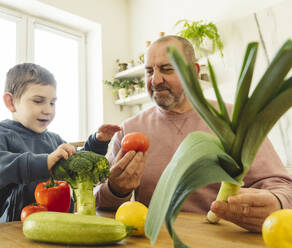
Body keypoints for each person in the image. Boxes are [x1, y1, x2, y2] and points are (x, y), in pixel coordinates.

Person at [95, 35, 292, 232]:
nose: (155, 80)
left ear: (194, 72)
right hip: (155, 242)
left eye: (167, 69)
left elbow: (284, 187)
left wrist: (276, 202)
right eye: (149, 71)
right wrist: (116, 189)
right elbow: (101, 203)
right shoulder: (128, 129)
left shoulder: (238, 120)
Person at [0, 63, 121, 223]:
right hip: (14, 231)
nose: (48, 110)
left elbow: (78, 164)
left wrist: (96, 143)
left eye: (52, 102)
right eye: (38, 101)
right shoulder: (2, 133)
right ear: (10, 102)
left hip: (60, 227)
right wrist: (40, 164)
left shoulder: (55, 140)